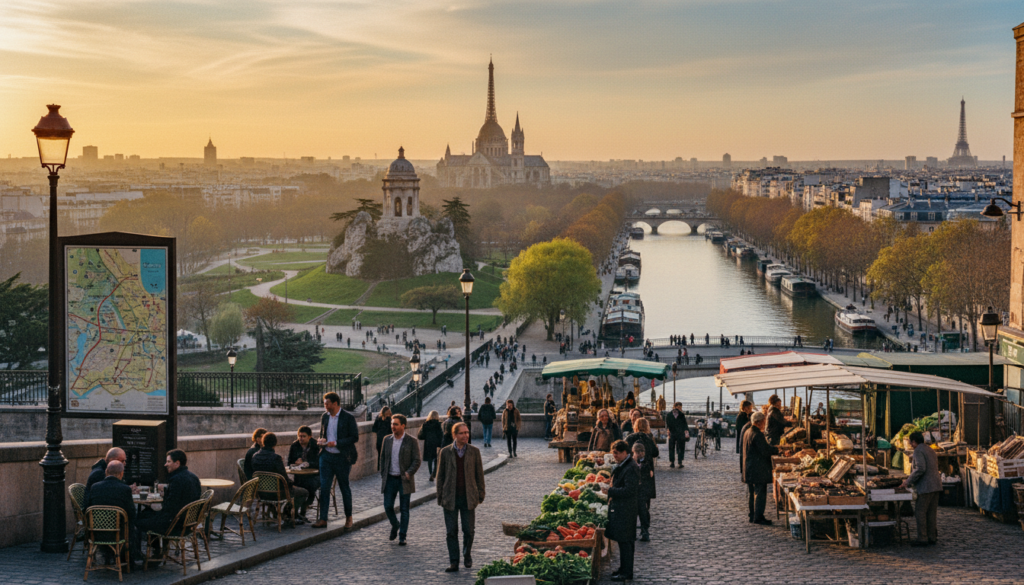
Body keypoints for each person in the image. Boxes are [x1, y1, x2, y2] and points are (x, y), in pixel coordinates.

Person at [436, 422, 485, 572]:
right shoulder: (445, 452)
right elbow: (440, 476)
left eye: (467, 432)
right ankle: (454, 561)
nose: (466, 435)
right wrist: (440, 496)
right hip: (450, 497)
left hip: (468, 497)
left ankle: (467, 553)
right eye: (462, 433)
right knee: (451, 531)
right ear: (454, 435)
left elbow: (479, 474)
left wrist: (480, 493)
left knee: (468, 530)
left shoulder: (474, 451)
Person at [314, 392, 359, 529]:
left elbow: (354, 437)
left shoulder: (348, 417)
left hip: (342, 457)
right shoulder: (325, 417)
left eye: (327, 404)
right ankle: (323, 519)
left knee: (344, 487)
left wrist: (337, 443)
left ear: (335, 403)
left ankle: (349, 517)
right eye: (324, 404)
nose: (325, 406)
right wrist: (321, 441)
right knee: (324, 487)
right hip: (326, 456)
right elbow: (323, 433)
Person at [85, 460, 141, 566]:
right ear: (121, 474)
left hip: (96, 533)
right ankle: (128, 560)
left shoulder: (95, 487)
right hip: (118, 534)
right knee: (132, 526)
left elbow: (88, 508)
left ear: (106, 471)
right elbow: (131, 514)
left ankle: (108, 556)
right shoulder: (125, 489)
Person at [136, 450, 201, 535]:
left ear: (177, 463)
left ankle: (144, 543)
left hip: (174, 525)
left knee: (138, 519)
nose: (165, 464)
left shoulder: (176, 480)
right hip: (188, 523)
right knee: (146, 513)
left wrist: (152, 505)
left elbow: (169, 507)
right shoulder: (194, 477)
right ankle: (156, 543)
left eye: (168, 461)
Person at [379, 414, 421, 545]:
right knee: (388, 506)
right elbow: (383, 458)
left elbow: (417, 460)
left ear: (403, 425)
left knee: (404, 509)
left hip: (404, 479)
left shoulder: (411, 441)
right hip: (390, 479)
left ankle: (403, 536)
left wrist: (409, 473)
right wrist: (383, 473)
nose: (393, 426)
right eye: (392, 424)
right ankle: (395, 524)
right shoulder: (387, 440)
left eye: (396, 424)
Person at [252, 432, 309, 523]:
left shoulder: (255, 456)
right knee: (303, 492)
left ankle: (279, 513)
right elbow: (283, 478)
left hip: (261, 493)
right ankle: (289, 514)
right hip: (277, 493)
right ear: (275, 444)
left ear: (263, 442)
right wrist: (291, 483)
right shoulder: (276, 458)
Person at [604, 440, 639, 581]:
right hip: (622, 508)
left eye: (616, 453)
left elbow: (629, 490)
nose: (615, 456)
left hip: (626, 509)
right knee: (623, 541)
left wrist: (610, 491)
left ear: (625, 452)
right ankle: (623, 568)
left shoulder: (631, 468)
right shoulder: (624, 464)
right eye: (613, 453)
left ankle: (626, 573)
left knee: (626, 542)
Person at [901, 431, 942, 546]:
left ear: (914, 441)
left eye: (910, 442)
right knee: (931, 513)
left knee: (920, 512)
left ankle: (923, 538)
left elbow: (920, 468)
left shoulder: (918, 450)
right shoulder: (930, 449)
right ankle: (932, 537)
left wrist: (907, 481)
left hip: (926, 486)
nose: (910, 444)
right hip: (936, 485)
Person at [742, 412, 779, 525]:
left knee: (752, 493)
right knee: (760, 493)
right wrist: (777, 450)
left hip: (749, 467)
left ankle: (752, 515)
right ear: (758, 422)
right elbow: (765, 450)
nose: (764, 424)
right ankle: (758, 517)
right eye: (764, 421)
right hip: (757, 468)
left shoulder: (748, 431)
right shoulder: (757, 434)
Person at [287, 426, 321, 510]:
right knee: (295, 486)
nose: (301, 438)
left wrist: (307, 464)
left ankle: (305, 506)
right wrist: (295, 463)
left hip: (315, 476)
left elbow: (319, 463)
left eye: (303, 436)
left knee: (310, 485)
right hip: (300, 476)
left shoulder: (316, 446)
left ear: (310, 436)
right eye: (299, 436)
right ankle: (295, 509)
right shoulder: (294, 445)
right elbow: (289, 462)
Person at [632, 443, 655, 542]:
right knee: (632, 511)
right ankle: (632, 532)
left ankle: (645, 531)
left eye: (642, 451)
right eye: (637, 452)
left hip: (643, 491)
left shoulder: (647, 463)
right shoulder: (631, 462)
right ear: (633, 452)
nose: (640, 453)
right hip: (633, 491)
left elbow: (650, 477)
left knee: (643, 511)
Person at [418, 410, 445, 481]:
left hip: (428, 444)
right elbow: (441, 435)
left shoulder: (425, 424)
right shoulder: (439, 424)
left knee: (429, 460)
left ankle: (430, 473)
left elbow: (421, 436)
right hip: (437, 444)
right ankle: (434, 473)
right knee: (437, 459)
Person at [664, 402, 689, 469]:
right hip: (675, 432)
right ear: (674, 407)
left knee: (677, 447)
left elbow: (684, 424)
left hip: (677, 433)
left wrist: (686, 431)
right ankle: (675, 462)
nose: (679, 408)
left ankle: (677, 462)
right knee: (676, 447)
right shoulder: (678, 414)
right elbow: (667, 424)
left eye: (680, 407)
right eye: (678, 407)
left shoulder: (672, 414)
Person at [735, 401, 754, 473]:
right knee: (743, 454)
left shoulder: (748, 414)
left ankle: (744, 469)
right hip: (743, 436)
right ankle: (743, 469)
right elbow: (739, 427)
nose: (751, 409)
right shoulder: (741, 416)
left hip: (744, 436)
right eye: (750, 408)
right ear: (745, 408)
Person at [372, 407, 393, 471]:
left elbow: (374, 428)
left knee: (380, 454)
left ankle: (380, 468)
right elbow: (391, 430)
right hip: (388, 439)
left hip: (379, 439)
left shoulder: (378, 418)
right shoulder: (390, 419)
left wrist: (379, 432)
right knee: (387, 455)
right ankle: (387, 468)